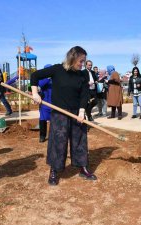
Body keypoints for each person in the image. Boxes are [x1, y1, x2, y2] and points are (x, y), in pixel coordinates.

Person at [30, 46, 97, 186]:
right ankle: (54, 170)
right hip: (59, 113)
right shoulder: (57, 70)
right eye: (81, 61)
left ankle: (82, 167)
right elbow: (34, 76)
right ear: (72, 58)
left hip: (77, 112)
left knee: (79, 140)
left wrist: (82, 111)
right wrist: (35, 93)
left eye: (84, 61)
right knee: (58, 141)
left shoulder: (82, 74)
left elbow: (84, 93)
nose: (82, 64)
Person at [38, 64, 53, 143]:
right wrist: (47, 78)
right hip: (44, 103)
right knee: (42, 120)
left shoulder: (55, 79)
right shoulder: (42, 78)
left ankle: (53, 136)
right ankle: (42, 136)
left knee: (54, 121)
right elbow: (39, 85)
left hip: (54, 103)